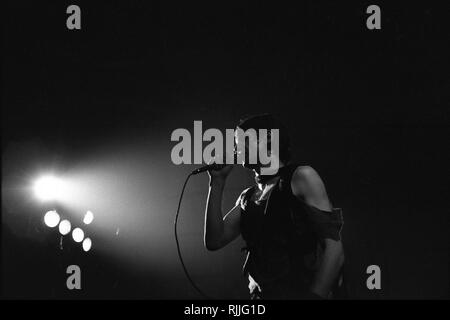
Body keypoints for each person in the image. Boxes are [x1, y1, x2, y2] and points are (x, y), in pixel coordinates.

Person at [203, 114, 346, 299]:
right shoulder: (248, 197)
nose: (237, 148)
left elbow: (334, 250)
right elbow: (214, 240)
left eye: (243, 141)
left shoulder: (301, 177)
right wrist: (217, 183)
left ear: (267, 140)